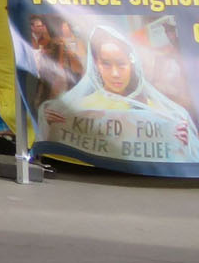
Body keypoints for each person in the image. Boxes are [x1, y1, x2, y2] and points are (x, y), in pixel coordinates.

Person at [41, 25, 199, 163]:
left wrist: (182, 143)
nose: (115, 73)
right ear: (97, 64)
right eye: (106, 64)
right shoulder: (77, 107)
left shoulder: (156, 109)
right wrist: (48, 124)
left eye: (121, 64)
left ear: (132, 63)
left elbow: (175, 153)